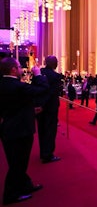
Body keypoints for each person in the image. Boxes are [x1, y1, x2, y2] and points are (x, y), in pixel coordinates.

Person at [0, 58, 49, 205]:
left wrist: (29, 110)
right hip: (19, 130)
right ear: (13, 70)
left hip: (9, 127)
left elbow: (15, 104)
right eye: (20, 67)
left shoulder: (3, 84)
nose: (22, 69)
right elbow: (42, 89)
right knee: (18, 163)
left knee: (19, 162)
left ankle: (25, 185)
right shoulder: (16, 86)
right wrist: (38, 74)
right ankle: (10, 195)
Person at [37, 55, 63, 164]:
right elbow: (52, 92)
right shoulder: (55, 76)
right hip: (50, 107)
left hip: (40, 107)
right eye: (56, 62)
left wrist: (39, 104)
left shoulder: (39, 73)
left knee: (41, 130)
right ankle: (48, 155)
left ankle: (43, 152)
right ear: (53, 63)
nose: (57, 64)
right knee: (50, 131)